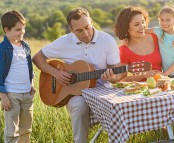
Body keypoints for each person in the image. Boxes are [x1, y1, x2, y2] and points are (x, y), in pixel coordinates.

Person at [32, 7, 123, 143]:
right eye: (79, 31)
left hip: (103, 90)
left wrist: (113, 77)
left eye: (87, 27)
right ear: (71, 30)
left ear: (91, 21)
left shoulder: (107, 41)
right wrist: (56, 73)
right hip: (75, 94)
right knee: (79, 106)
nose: (85, 33)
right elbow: (37, 57)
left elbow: (117, 72)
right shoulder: (64, 41)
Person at [114, 6, 174, 82]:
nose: (142, 27)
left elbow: (172, 55)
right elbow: (122, 80)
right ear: (126, 27)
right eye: (137, 24)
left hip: (161, 84)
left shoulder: (156, 37)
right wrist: (143, 75)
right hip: (141, 90)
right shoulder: (124, 49)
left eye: (143, 22)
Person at [0, 10, 35, 143]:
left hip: (27, 94)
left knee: (26, 129)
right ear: (7, 30)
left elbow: (29, 68)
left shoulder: (25, 46)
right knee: (12, 132)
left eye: (23, 28)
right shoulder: (3, 49)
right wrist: (3, 96)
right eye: (18, 29)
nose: (22, 32)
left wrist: (31, 83)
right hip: (11, 95)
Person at [146, 5, 174, 78]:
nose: (164, 23)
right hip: (168, 74)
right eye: (162, 20)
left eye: (168, 20)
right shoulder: (158, 31)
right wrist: (126, 37)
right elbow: (142, 31)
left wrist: (165, 74)